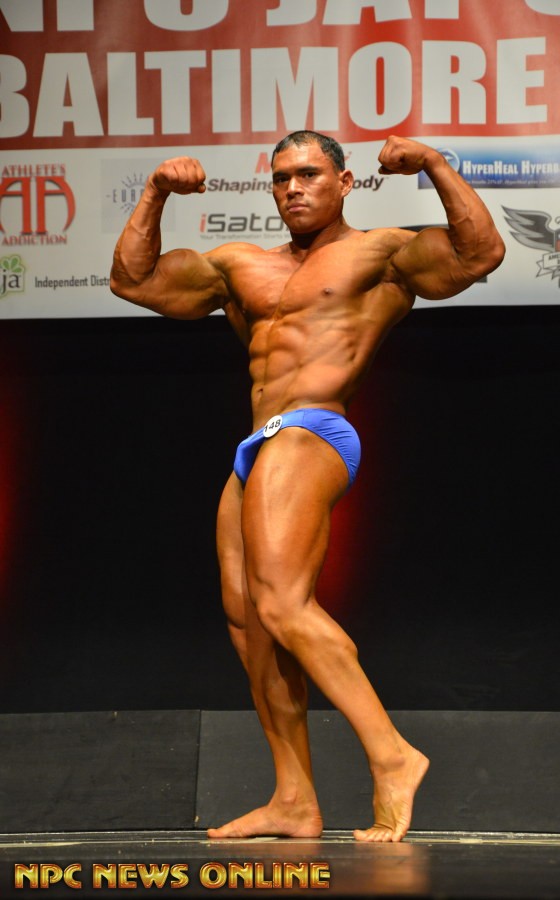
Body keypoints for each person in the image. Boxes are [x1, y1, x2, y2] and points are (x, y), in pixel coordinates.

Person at [110, 131, 505, 842]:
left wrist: (435, 166)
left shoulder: (381, 254)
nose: (293, 187)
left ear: (345, 183)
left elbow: (479, 255)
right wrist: (155, 193)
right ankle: (294, 798)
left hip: (315, 429)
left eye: (310, 174)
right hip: (258, 445)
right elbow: (133, 282)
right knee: (249, 626)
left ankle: (393, 755)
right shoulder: (239, 265)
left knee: (284, 604)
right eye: (282, 177)